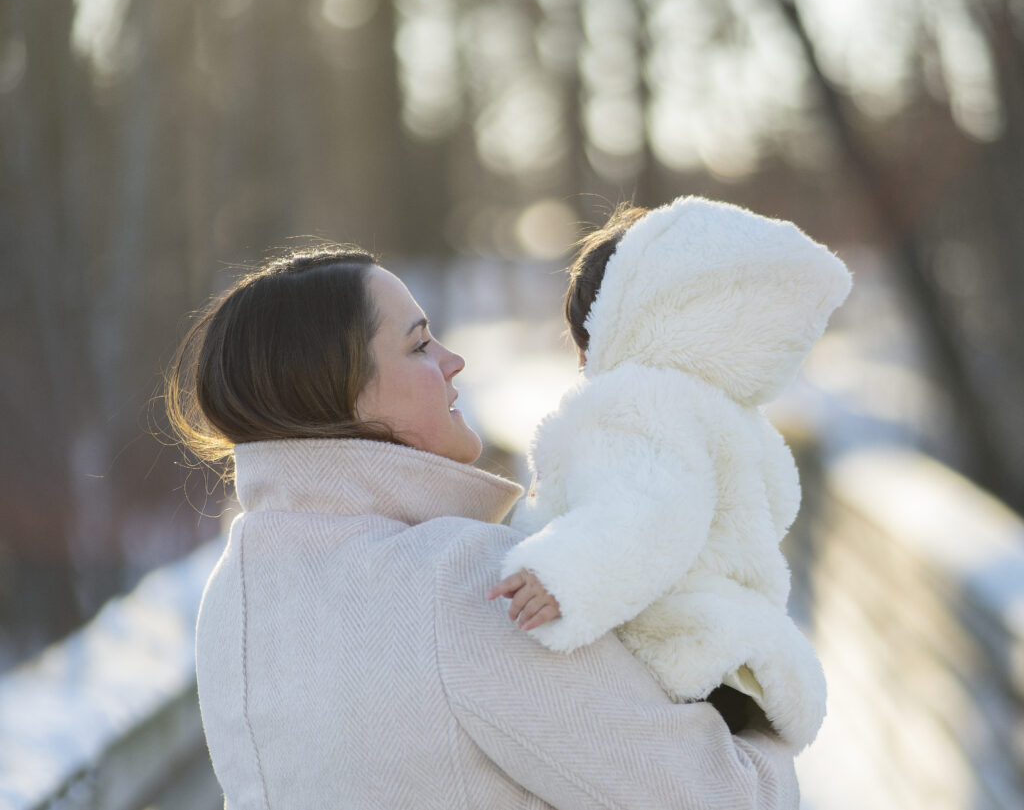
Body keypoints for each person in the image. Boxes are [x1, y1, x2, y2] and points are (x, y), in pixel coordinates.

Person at [166, 244, 800, 809]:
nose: (454, 360)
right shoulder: (461, 582)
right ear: (340, 395)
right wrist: (765, 721)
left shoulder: (231, 602)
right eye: (418, 346)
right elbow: (724, 797)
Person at [489, 197, 852, 751]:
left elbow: (651, 507)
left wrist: (567, 572)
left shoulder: (636, 401)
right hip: (728, 665)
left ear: (626, 318)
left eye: (586, 338)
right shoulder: (729, 417)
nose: (586, 363)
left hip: (666, 655)